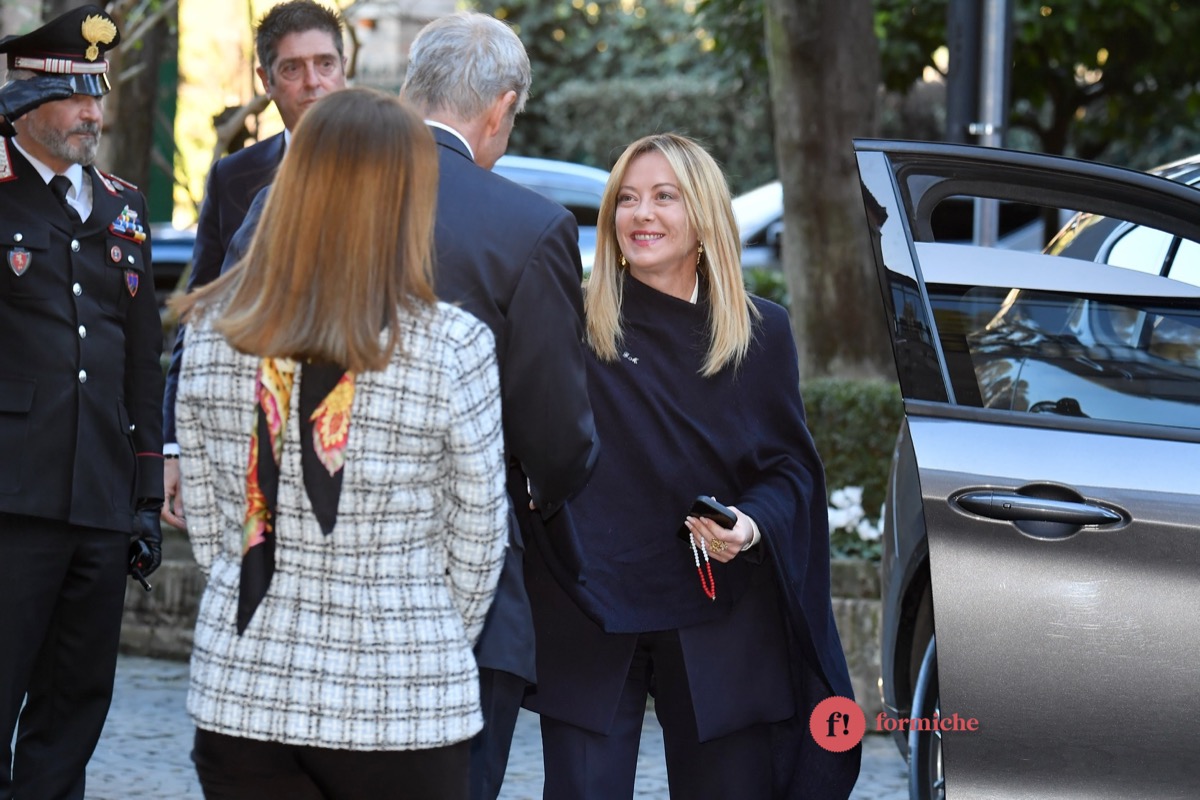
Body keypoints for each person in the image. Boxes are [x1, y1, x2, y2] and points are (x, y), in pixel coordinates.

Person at [172, 87, 508, 800]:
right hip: (400, 694)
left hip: (245, 687)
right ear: (407, 196)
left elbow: (210, 526)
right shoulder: (453, 346)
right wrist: (419, 625)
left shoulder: (210, 332)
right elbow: (479, 539)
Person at [521, 133, 862, 799]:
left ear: (703, 214)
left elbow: (789, 468)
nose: (641, 213)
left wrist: (749, 524)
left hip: (718, 613)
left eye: (664, 197)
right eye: (627, 199)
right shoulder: (569, 322)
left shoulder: (760, 332)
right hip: (588, 604)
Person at [400, 13, 600, 800]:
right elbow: (556, 431)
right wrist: (540, 490)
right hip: (460, 582)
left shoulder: (293, 196)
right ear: (501, 107)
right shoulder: (527, 227)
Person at [0, 6, 164, 798]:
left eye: (96, 93)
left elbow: (140, 360)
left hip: (98, 497)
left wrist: (145, 493)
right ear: (26, 100)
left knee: (74, 708)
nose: (92, 112)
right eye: (71, 94)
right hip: (12, 499)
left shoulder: (123, 205)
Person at [161, 0, 347, 529]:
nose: (313, 83)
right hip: (252, 444)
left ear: (344, 67)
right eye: (293, 69)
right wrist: (174, 444)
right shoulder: (234, 177)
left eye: (325, 64)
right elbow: (200, 313)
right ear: (266, 80)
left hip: (360, 439)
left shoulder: (395, 166)